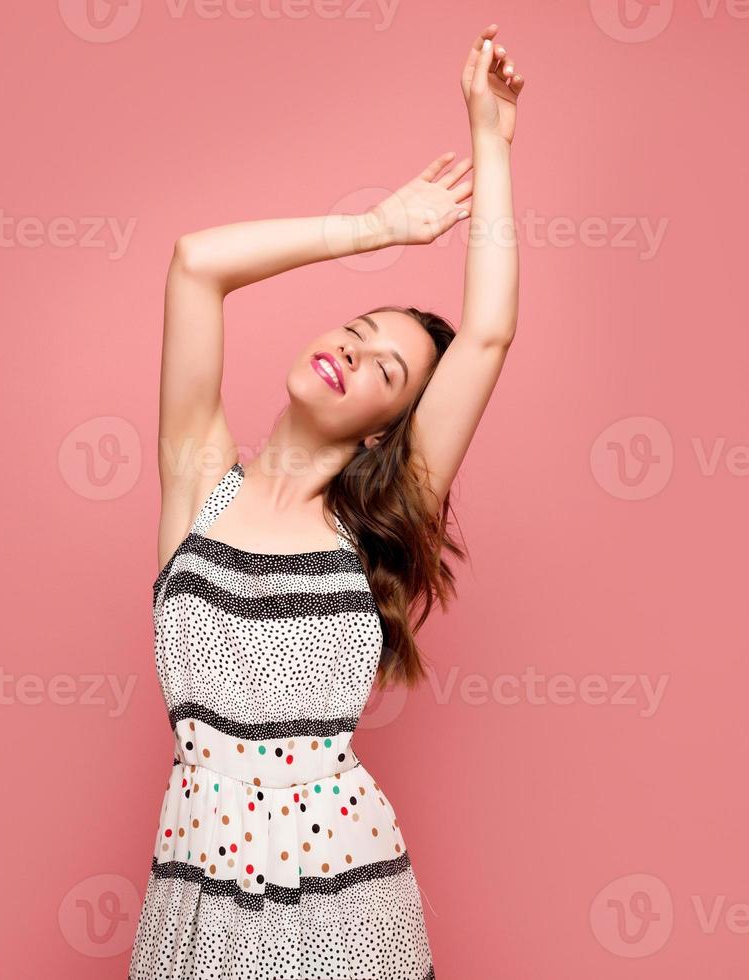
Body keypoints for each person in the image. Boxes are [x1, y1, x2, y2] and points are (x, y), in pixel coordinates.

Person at [128, 23, 524, 980]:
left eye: (382, 366)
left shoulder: (365, 529)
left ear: (389, 428)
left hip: (345, 899)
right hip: (193, 897)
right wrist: (377, 231)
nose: (350, 352)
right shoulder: (198, 476)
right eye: (353, 328)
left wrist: (491, 141)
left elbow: (487, 337)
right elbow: (195, 264)